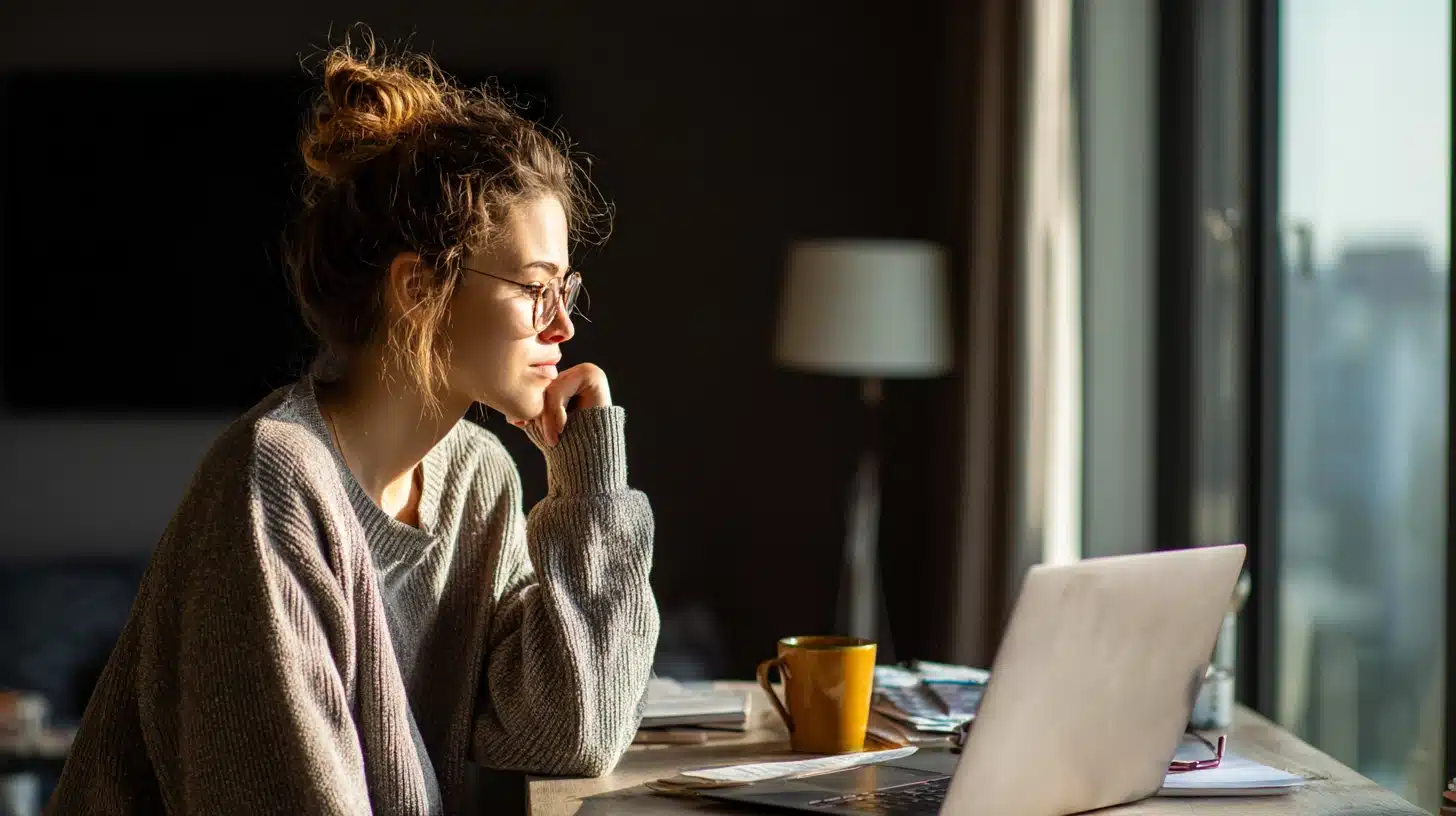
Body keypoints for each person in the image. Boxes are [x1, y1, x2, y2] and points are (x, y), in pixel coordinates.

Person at [47, 37, 658, 815]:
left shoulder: (479, 481)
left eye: (565, 288)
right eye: (535, 288)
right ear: (417, 288)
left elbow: (573, 736)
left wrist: (591, 486)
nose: (564, 326)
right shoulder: (273, 483)